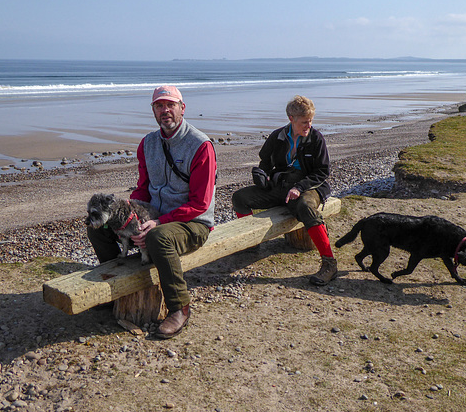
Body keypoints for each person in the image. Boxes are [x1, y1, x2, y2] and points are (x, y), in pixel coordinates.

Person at [87, 85, 216, 339]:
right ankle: (116, 288)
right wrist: (129, 212)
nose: (165, 110)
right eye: (159, 105)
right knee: (100, 228)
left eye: (170, 105)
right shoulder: (147, 143)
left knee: (159, 237)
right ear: (153, 111)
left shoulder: (201, 146)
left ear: (182, 108)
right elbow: (144, 189)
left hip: (192, 223)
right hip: (152, 218)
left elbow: (200, 203)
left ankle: (180, 308)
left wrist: (159, 222)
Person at [231, 95, 336, 285]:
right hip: (280, 187)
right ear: (291, 119)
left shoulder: (316, 138)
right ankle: (251, 245)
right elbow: (264, 162)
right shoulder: (277, 136)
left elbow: (323, 171)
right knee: (240, 197)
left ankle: (329, 263)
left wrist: (299, 187)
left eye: (311, 121)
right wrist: (261, 174)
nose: (308, 125)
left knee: (305, 207)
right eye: (304, 122)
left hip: (309, 187)